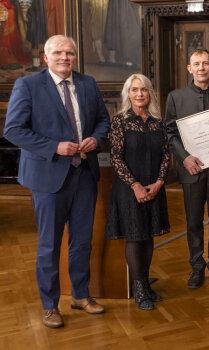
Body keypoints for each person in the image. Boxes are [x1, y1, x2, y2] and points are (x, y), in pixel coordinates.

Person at [4, 35, 110, 328]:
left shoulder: (88, 84)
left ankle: (80, 295)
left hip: (84, 175)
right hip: (48, 176)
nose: (65, 57)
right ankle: (50, 305)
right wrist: (54, 147)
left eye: (70, 53)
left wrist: (96, 138)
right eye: (59, 53)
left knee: (82, 242)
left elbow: (103, 120)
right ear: (45, 57)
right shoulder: (27, 85)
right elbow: (13, 130)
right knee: (49, 245)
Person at [165, 48, 209, 290]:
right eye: (197, 64)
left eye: (205, 63)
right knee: (193, 221)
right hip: (191, 169)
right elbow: (170, 133)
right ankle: (196, 266)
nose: (201, 68)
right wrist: (183, 158)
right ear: (190, 68)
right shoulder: (176, 97)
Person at [105, 74, 170, 311]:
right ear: (128, 94)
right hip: (129, 189)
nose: (140, 94)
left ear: (150, 93)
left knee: (149, 235)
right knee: (135, 237)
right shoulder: (120, 121)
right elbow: (116, 158)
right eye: (134, 90)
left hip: (154, 187)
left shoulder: (157, 122)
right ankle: (139, 287)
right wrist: (136, 186)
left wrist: (160, 182)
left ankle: (146, 282)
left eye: (143, 89)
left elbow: (165, 155)